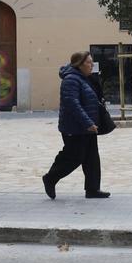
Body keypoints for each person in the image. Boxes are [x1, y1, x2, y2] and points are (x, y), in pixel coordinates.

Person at [42, 50, 110, 199]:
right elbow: (72, 104)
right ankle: (50, 178)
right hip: (75, 127)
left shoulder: (85, 78)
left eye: (92, 62)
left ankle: (92, 189)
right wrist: (88, 123)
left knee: (91, 158)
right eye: (88, 62)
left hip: (88, 127)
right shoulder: (71, 79)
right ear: (79, 64)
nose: (92, 65)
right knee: (73, 157)